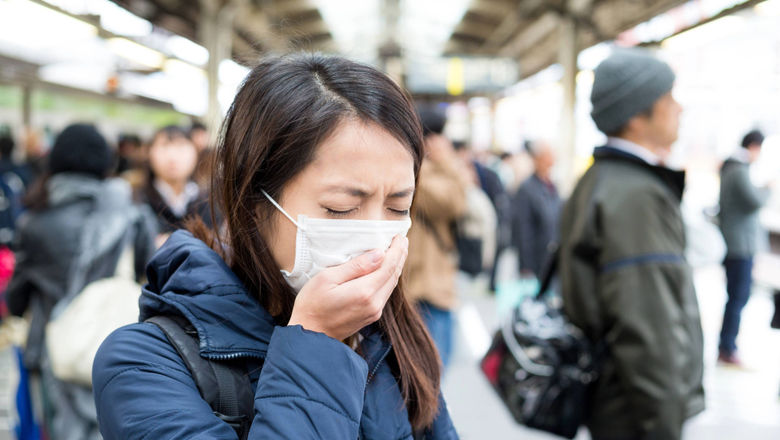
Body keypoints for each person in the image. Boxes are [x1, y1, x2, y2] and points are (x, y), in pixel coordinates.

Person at [92, 54, 458, 439]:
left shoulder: (389, 337)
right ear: (253, 202)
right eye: (341, 209)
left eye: (397, 207)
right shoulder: (142, 364)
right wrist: (317, 339)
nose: (374, 238)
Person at [558, 48, 704, 440]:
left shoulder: (598, 179)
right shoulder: (637, 194)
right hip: (636, 412)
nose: (679, 108)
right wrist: (664, 424)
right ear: (638, 115)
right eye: (669, 98)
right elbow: (647, 325)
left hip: (611, 400)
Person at [6, 123, 156, 439]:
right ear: (105, 162)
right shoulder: (131, 215)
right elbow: (147, 273)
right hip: (115, 344)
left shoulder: (34, 222)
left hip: (52, 352)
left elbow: (15, 300)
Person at [403, 108, 467, 370]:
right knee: (430, 369)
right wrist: (439, 161)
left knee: (438, 365)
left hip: (434, 282)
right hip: (421, 285)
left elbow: (458, 203)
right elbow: (450, 203)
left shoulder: (437, 172)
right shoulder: (418, 172)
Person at [717, 129, 770, 366]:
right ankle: (728, 348)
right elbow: (754, 201)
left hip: (737, 244)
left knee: (737, 297)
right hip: (739, 245)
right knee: (738, 297)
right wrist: (768, 188)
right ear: (754, 147)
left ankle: (727, 346)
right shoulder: (739, 170)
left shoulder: (732, 168)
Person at [137, 125, 213, 246]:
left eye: (180, 147)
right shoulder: (137, 201)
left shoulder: (209, 201)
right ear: (149, 152)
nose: (172, 157)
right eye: (164, 146)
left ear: (195, 153)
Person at [511, 140, 561, 279]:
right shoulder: (527, 188)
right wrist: (526, 265)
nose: (551, 160)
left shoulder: (552, 186)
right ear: (537, 159)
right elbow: (523, 229)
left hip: (551, 257)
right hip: (536, 259)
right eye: (547, 157)